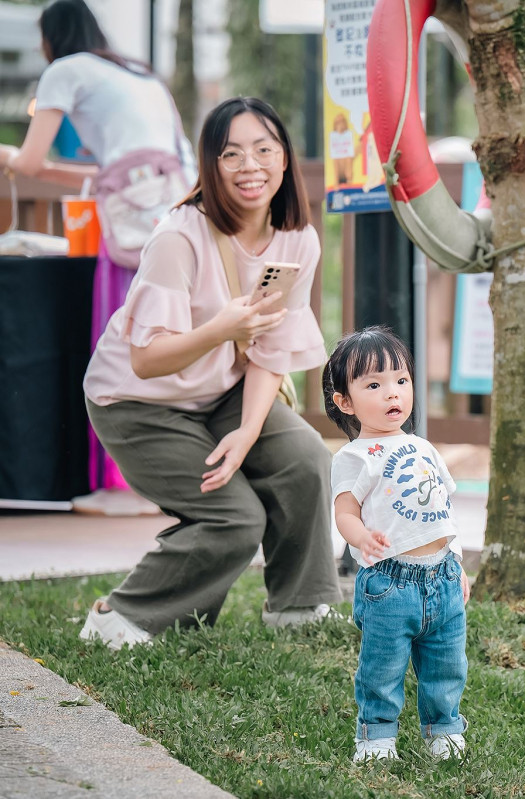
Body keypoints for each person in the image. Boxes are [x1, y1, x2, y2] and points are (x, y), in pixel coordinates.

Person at [77, 96, 341, 649]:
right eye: (232, 154)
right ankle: (120, 618)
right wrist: (220, 328)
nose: (251, 166)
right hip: (137, 403)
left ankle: (301, 607)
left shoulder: (298, 240)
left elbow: (271, 346)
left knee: (305, 458)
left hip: (220, 390)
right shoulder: (179, 238)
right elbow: (147, 361)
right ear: (210, 166)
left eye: (264, 150)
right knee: (233, 518)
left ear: (285, 159)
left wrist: (246, 433)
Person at [0, 0, 196, 516]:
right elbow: (103, 172)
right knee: (165, 341)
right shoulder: (138, 74)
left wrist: (8, 157)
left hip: (129, 231)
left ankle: (121, 483)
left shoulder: (64, 71)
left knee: (119, 344)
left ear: (50, 39)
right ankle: (164, 479)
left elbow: (31, 161)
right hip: (171, 217)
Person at [323, 326, 470, 762]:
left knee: (447, 665)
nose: (393, 394)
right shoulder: (353, 457)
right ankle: (376, 737)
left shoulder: (423, 446)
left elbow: (443, 512)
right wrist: (362, 537)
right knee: (382, 668)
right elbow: (344, 512)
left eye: (400, 381)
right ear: (345, 402)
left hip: (441, 577)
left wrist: (457, 563)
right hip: (389, 584)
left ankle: (443, 730)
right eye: (374, 384)